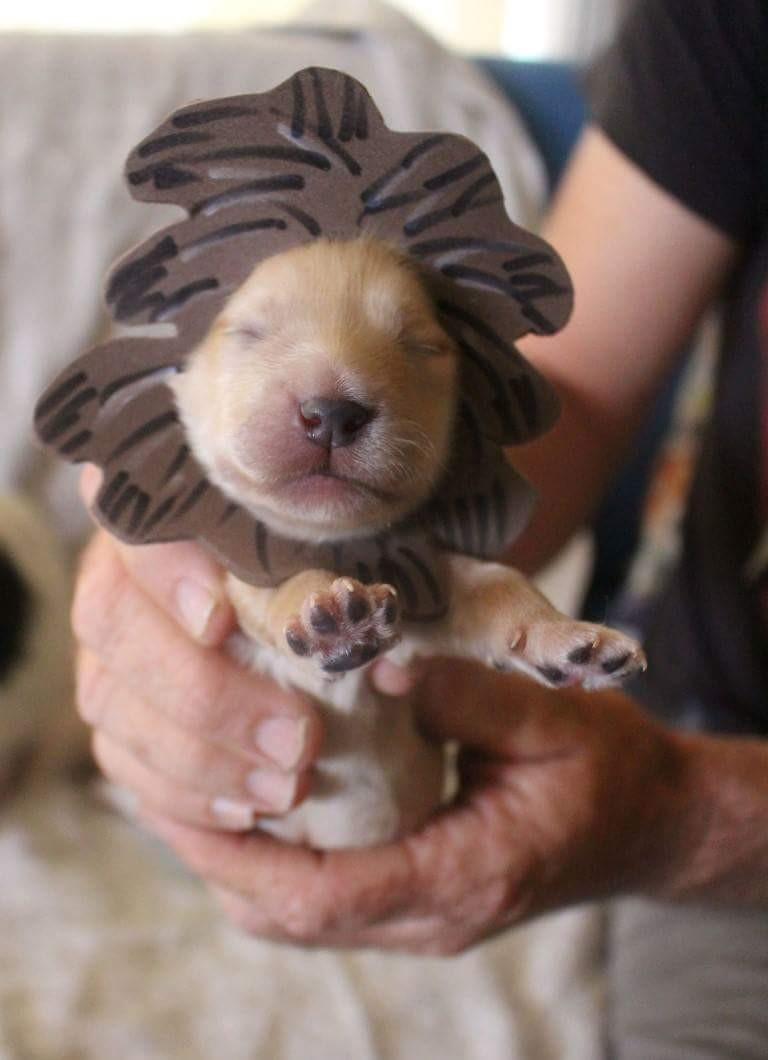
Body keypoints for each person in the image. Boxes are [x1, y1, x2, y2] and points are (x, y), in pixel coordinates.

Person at [71, 0, 768, 1055]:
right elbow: (569, 394)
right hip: (714, 711)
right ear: (181, 373)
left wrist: (684, 814)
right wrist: (158, 542)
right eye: (254, 332)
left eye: (421, 352)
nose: (334, 391)